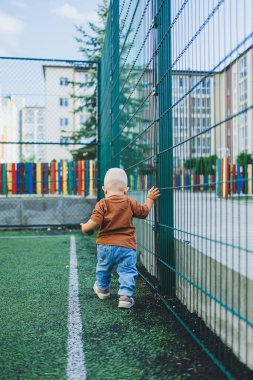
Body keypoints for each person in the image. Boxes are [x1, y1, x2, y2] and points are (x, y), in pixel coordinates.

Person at [80, 168, 160, 309]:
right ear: (125, 190)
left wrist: (84, 227)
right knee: (127, 271)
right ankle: (125, 297)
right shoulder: (130, 202)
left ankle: (103, 290)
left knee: (103, 268)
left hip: (105, 246)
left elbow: (93, 224)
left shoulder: (102, 204)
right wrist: (150, 198)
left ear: (105, 190)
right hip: (126, 246)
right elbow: (144, 212)